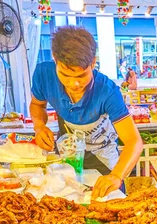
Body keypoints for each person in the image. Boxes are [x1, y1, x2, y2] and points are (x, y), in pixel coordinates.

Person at [30, 26, 143, 198]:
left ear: (93, 62)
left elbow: (134, 141)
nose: (74, 84)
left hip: (103, 159)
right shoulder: (43, 74)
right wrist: (39, 126)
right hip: (69, 158)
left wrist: (116, 176)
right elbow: (37, 105)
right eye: (65, 75)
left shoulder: (107, 91)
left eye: (81, 76)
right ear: (55, 60)